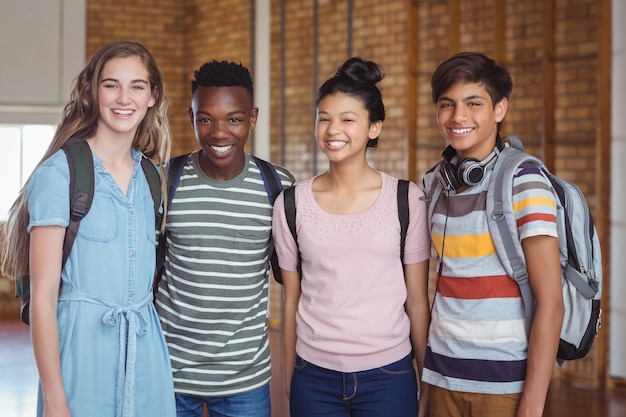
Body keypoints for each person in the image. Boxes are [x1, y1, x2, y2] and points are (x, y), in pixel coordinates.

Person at [0, 41, 176, 416]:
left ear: (152, 97)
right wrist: (54, 398)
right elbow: (43, 298)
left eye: (137, 86)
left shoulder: (152, 177)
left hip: (147, 364)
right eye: (111, 84)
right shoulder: (59, 174)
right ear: (93, 91)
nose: (123, 97)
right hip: (81, 361)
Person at [272, 57, 431, 417]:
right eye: (324, 118)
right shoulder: (291, 204)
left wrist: (428, 379)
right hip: (312, 376)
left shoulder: (407, 200)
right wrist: (289, 377)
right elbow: (291, 299)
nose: (332, 129)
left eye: (347, 119)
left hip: (389, 374)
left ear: (374, 127)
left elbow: (417, 301)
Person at [422, 51, 565, 417]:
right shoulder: (434, 185)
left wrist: (532, 405)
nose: (458, 117)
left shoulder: (524, 180)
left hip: (504, 386)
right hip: (441, 378)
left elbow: (551, 301)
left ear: (499, 109)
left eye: (474, 103)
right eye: (447, 104)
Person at [154, 60, 295, 417]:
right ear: (191, 116)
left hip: (244, 381)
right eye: (206, 119)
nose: (219, 133)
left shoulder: (278, 186)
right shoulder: (164, 181)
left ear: (253, 118)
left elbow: (290, 275)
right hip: (168, 375)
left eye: (234, 119)